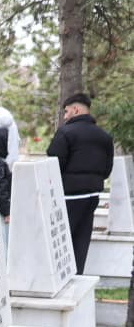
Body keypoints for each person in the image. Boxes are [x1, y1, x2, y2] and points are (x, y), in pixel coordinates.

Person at [47, 92, 115, 273]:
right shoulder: (104, 137)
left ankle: (63, 277)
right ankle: (78, 275)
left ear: (75, 110)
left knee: (63, 241)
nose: (65, 116)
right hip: (93, 194)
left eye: (67, 112)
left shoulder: (65, 133)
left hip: (69, 194)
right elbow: (107, 168)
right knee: (82, 240)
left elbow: (52, 164)